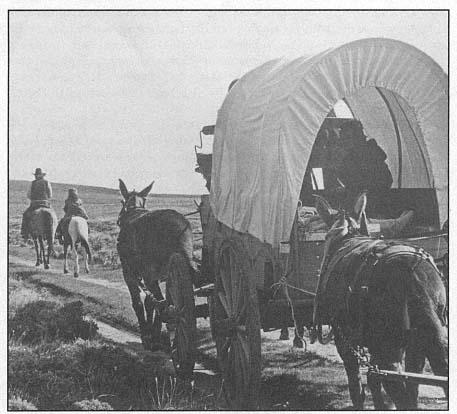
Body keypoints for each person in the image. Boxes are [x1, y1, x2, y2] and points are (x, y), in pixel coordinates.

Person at [336, 120, 393, 212]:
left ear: (358, 138)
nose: (344, 142)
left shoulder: (371, 155)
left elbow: (385, 181)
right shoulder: (349, 157)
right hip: (356, 204)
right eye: (342, 138)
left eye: (348, 138)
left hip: (373, 205)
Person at [21, 168, 53, 240]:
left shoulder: (33, 183)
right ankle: (56, 232)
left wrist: (33, 198)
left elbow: (28, 195)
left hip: (35, 204)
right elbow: (50, 195)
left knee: (25, 215)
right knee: (53, 215)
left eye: (36, 175)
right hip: (45, 203)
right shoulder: (47, 182)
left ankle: (24, 233)